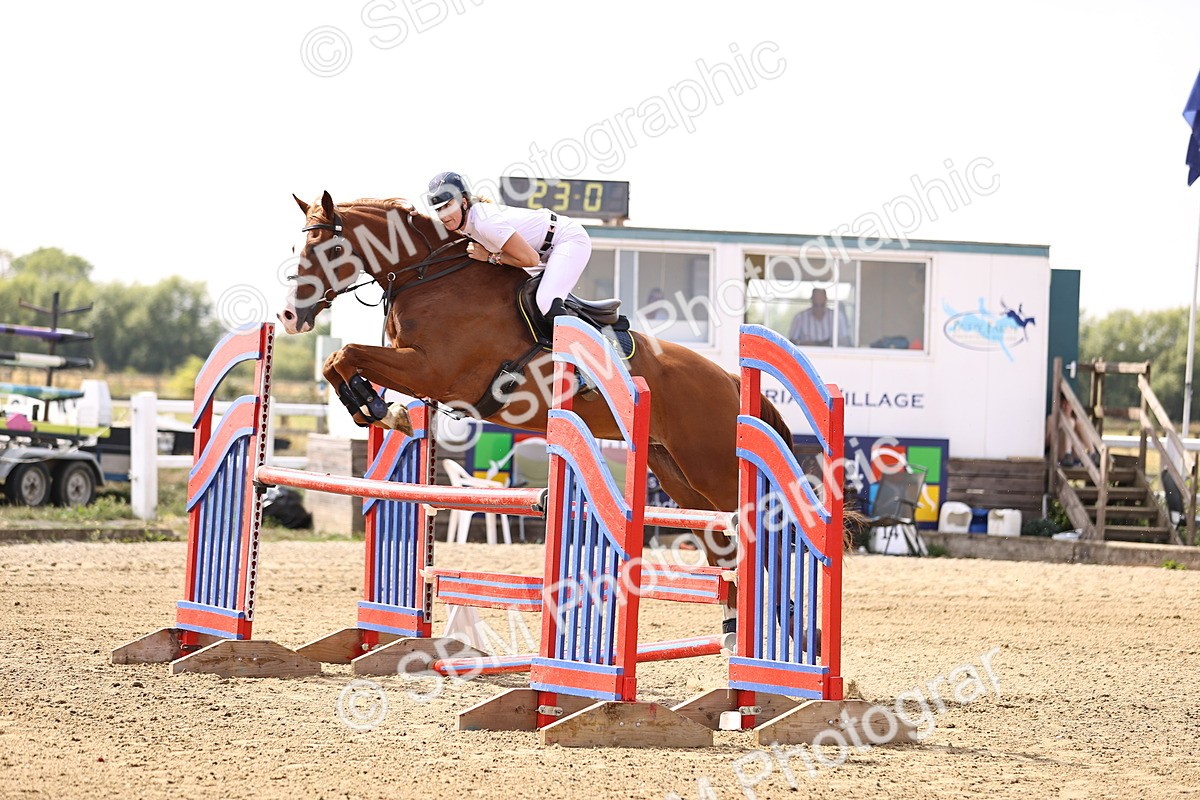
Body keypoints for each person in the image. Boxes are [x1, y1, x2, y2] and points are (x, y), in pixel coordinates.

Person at [427, 172, 593, 318]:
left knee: (545, 302)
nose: (444, 215)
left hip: (567, 240)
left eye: (448, 206)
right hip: (544, 250)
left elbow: (531, 259)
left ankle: (583, 351)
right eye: (439, 209)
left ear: (463, 202)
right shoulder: (463, 223)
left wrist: (489, 257)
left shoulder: (485, 222)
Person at [788, 288, 852, 347]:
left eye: (822, 305)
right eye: (816, 305)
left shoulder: (837, 317)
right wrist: (803, 343)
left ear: (826, 300)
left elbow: (845, 341)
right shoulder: (800, 318)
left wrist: (830, 344)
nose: (819, 309)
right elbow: (791, 342)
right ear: (812, 300)